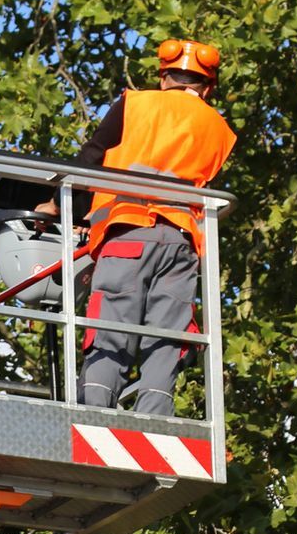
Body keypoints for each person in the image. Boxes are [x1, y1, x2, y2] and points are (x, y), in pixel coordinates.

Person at [51, 39, 235, 416]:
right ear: (207, 86)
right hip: (182, 244)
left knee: (112, 325)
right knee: (167, 335)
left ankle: (94, 413)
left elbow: (91, 160)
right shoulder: (219, 128)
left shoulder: (136, 103)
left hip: (128, 233)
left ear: (163, 77)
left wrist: (60, 207)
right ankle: (156, 416)